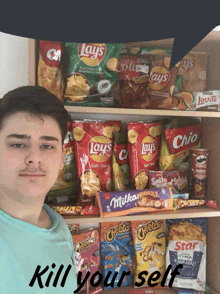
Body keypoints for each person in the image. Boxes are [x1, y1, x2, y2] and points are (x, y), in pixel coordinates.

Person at [0, 86, 77, 293]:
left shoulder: (58, 225)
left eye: (47, 146)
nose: (35, 157)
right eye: (17, 144)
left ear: (62, 158)